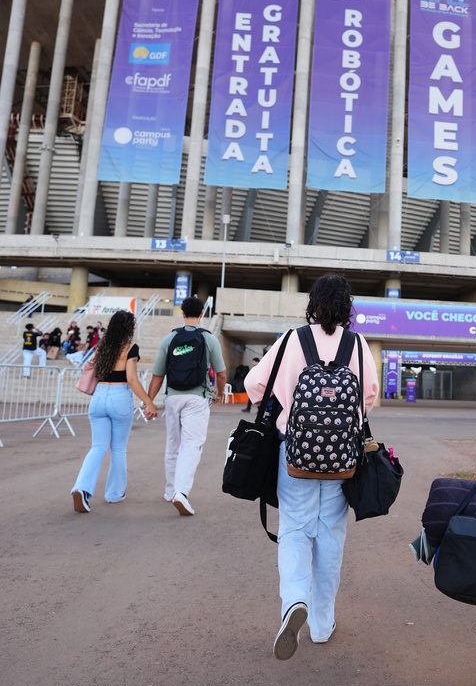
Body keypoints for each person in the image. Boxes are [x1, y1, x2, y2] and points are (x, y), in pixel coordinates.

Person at [245, 274, 379, 660]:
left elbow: (254, 384)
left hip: (295, 454)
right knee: (330, 537)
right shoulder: (357, 344)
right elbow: (369, 396)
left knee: (294, 530)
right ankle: (322, 625)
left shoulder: (291, 339)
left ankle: (294, 601)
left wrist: (286, 405)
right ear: (347, 307)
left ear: (313, 303)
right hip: (342, 460)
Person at [70, 310, 158, 512]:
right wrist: (148, 402)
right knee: (118, 449)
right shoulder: (130, 348)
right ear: (129, 328)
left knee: (97, 447)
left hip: (99, 396)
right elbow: (131, 379)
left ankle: (81, 488)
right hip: (119, 397)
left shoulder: (102, 346)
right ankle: (114, 494)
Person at [147, 295, 226, 517]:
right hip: (196, 397)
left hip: (172, 397)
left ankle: (170, 490)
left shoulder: (169, 339)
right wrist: (219, 392)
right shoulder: (209, 339)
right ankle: (181, 492)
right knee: (192, 445)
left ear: (182, 314)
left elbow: (157, 376)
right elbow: (221, 373)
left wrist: (149, 401)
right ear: (201, 314)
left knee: (173, 444)